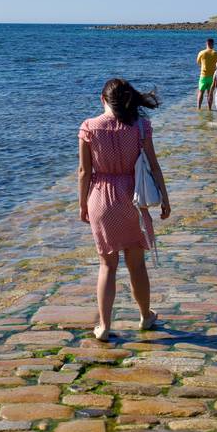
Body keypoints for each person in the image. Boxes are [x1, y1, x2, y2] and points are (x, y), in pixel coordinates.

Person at [78, 78, 171, 342]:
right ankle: (144, 317)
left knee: (107, 264)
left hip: (101, 197)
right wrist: (164, 197)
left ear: (102, 99)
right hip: (133, 197)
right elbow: (154, 165)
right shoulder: (141, 127)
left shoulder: (89, 128)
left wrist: (82, 203)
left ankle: (104, 325)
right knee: (136, 264)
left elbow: (85, 171)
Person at [196, 38, 217, 110]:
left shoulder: (201, 52)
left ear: (206, 44)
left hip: (203, 75)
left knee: (201, 92)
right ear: (212, 44)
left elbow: (198, 62)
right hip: (212, 76)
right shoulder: (215, 53)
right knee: (210, 93)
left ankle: (198, 108)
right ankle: (209, 108)